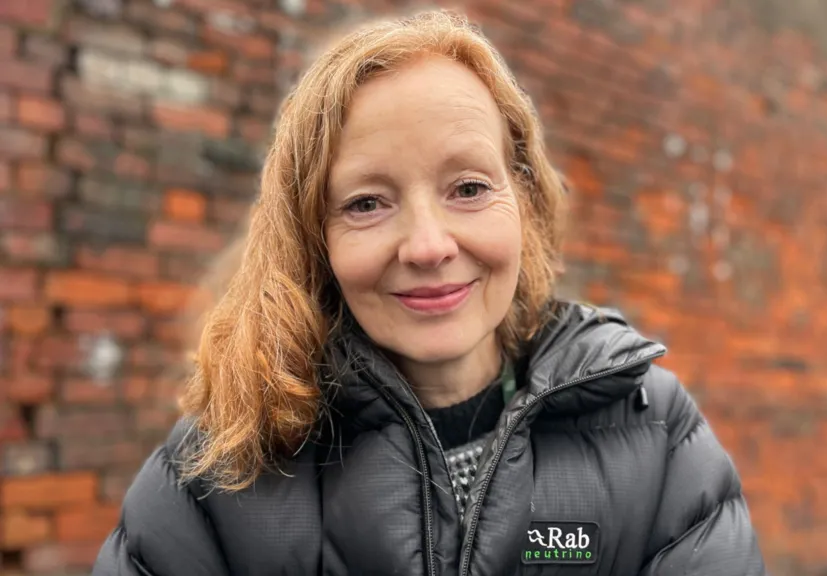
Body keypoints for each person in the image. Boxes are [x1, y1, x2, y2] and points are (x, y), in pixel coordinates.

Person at [93, 9, 765, 576]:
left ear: (524, 201)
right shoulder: (209, 479)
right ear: (311, 236)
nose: (427, 245)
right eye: (366, 203)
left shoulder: (655, 432)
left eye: (468, 188)